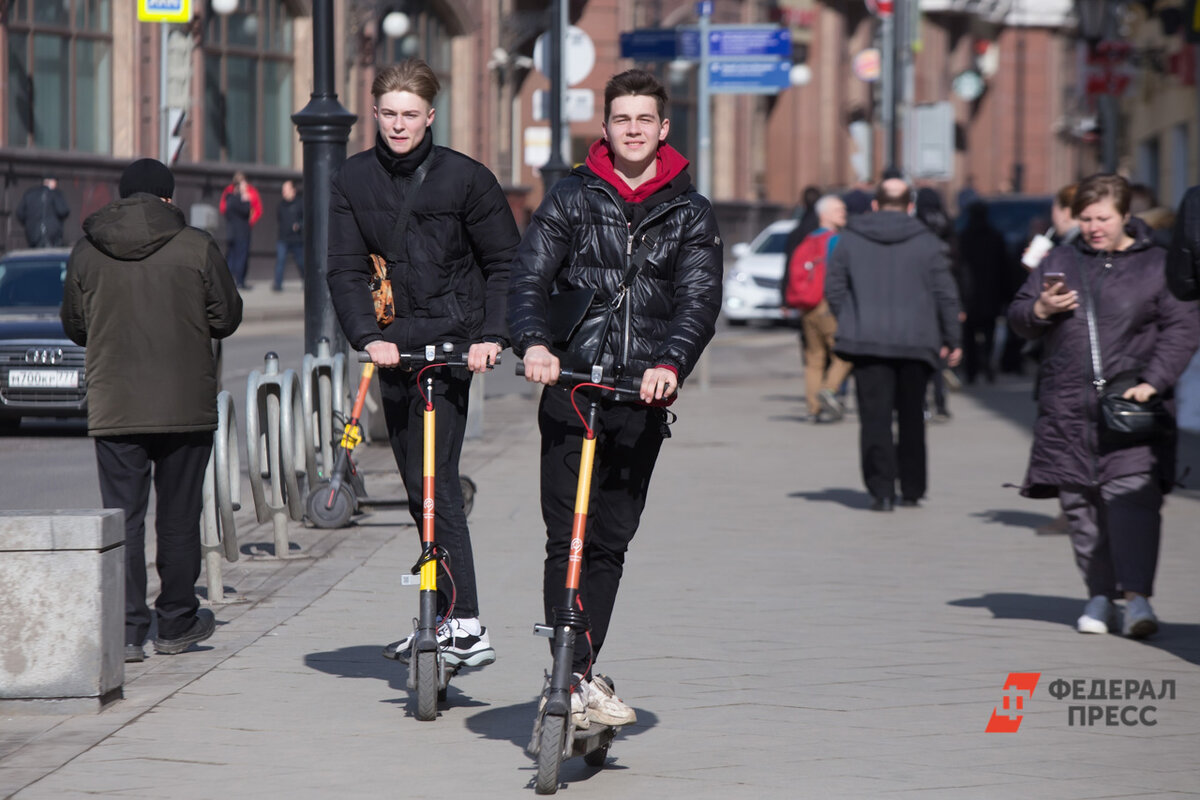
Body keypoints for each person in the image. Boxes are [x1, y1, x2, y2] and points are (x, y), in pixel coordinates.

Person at [507, 69, 722, 727]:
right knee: (565, 534)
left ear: (663, 129)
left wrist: (671, 362)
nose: (632, 129)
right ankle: (569, 675)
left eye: (644, 120)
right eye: (621, 119)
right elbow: (530, 278)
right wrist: (535, 344)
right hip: (572, 384)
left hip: (640, 393)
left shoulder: (691, 210)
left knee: (608, 539)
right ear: (606, 127)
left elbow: (698, 299)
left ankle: (582, 668)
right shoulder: (572, 195)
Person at [326, 59, 518, 669]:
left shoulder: (467, 179)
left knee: (438, 483)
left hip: (453, 347)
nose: (399, 125)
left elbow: (506, 267)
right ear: (375, 114)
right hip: (394, 349)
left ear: (430, 116)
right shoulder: (353, 180)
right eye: (388, 114)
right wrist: (365, 335)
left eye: (411, 115)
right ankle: (439, 617)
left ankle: (466, 622)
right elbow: (344, 267)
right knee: (416, 488)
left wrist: (492, 335)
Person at [60, 158, 243, 663]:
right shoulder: (197, 245)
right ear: (168, 197)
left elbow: (75, 326)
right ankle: (177, 622)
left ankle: (128, 629)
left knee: (124, 517)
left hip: (116, 405)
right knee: (180, 518)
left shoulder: (86, 251)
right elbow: (226, 317)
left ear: (121, 198)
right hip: (185, 406)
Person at [1009, 174, 1199, 638]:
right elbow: (1017, 316)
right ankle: (1098, 595)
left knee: (1132, 500)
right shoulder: (1060, 259)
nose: (1093, 227)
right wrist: (1041, 311)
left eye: (1103, 218)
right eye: (1086, 218)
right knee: (1081, 506)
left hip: (1132, 407)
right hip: (1066, 408)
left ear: (1126, 216)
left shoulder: (1158, 264)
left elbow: (1182, 328)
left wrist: (1154, 381)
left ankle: (1136, 599)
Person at [825, 176, 962, 511]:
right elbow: (945, 292)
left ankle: (881, 491)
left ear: (875, 204)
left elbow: (834, 288)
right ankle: (912, 488)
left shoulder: (850, 240)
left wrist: (853, 318)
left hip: (866, 342)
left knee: (875, 419)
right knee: (913, 416)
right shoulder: (928, 242)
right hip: (917, 342)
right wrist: (952, 338)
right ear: (911, 206)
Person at [785, 194, 851, 422]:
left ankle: (813, 408)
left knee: (814, 359)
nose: (844, 213)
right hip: (827, 305)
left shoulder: (808, 239)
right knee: (845, 353)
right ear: (824, 214)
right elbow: (839, 276)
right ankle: (829, 390)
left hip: (807, 306)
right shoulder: (835, 241)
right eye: (838, 210)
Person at [915, 186, 958, 421]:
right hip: (945, 285)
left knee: (923, 352)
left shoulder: (916, 224)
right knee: (942, 351)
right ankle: (940, 402)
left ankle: (922, 403)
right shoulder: (947, 224)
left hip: (921, 291)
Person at [958, 202, 1007, 384]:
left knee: (969, 337)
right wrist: (1006, 295)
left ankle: (972, 370)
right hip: (990, 295)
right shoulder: (994, 237)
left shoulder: (964, 237)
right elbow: (1004, 269)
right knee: (989, 335)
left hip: (969, 296)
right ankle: (987, 365)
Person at [219, 171, 262, 289]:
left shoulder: (230, 195)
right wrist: (246, 201)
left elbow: (257, 210)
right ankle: (239, 281)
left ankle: (228, 280)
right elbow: (248, 210)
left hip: (232, 230)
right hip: (241, 231)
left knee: (232, 256)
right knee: (239, 256)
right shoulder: (240, 195)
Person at [15, 176, 70, 248]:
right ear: (52, 182)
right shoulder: (55, 194)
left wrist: (29, 224)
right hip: (52, 236)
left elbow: (20, 213)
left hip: (33, 235)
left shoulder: (30, 194)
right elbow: (63, 211)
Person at [273, 180, 304, 291]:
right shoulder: (281, 205)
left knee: (301, 262)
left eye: (286, 190)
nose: (284, 192)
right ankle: (277, 285)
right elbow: (279, 218)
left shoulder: (300, 203)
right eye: (283, 190)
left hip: (296, 239)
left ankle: (306, 281)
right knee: (280, 261)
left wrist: (299, 225)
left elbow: (305, 220)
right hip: (283, 238)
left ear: (293, 191)